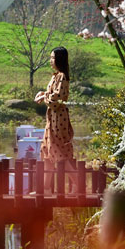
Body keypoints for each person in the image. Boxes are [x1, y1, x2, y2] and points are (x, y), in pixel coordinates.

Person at [34, 46, 74, 191]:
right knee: (46, 151)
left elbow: (55, 100)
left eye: (53, 58)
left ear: (60, 59)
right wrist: (42, 93)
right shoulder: (55, 76)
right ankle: (45, 189)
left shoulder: (62, 76)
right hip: (51, 119)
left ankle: (76, 183)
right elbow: (51, 94)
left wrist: (44, 97)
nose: (51, 61)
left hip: (59, 119)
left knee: (58, 152)